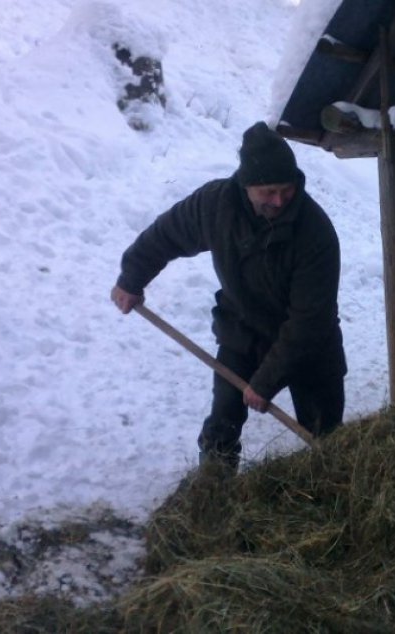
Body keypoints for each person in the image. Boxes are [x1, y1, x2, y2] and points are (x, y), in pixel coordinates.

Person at [111, 121, 347, 470]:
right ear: (246, 185)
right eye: (268, 192)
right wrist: (131, 278)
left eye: (286, 190)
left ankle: (333, 484)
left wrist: (264, 382)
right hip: (243, 330)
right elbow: (167, 235)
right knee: (222, 422)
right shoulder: (216, 206)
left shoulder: (315, 233)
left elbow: (309, 322)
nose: (279, 200)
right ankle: (213, 482)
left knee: (324, 435)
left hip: (309, 345)